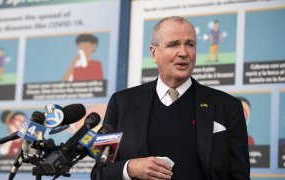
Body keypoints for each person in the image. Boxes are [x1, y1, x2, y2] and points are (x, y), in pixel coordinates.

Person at [93, 16, 250, 180]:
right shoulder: (121, 103)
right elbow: (99, 171)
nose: (183, 53)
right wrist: (130, 168)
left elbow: (240, 176)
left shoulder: (228, 106)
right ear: (154, 53)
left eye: (190, 44)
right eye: (173, 44)